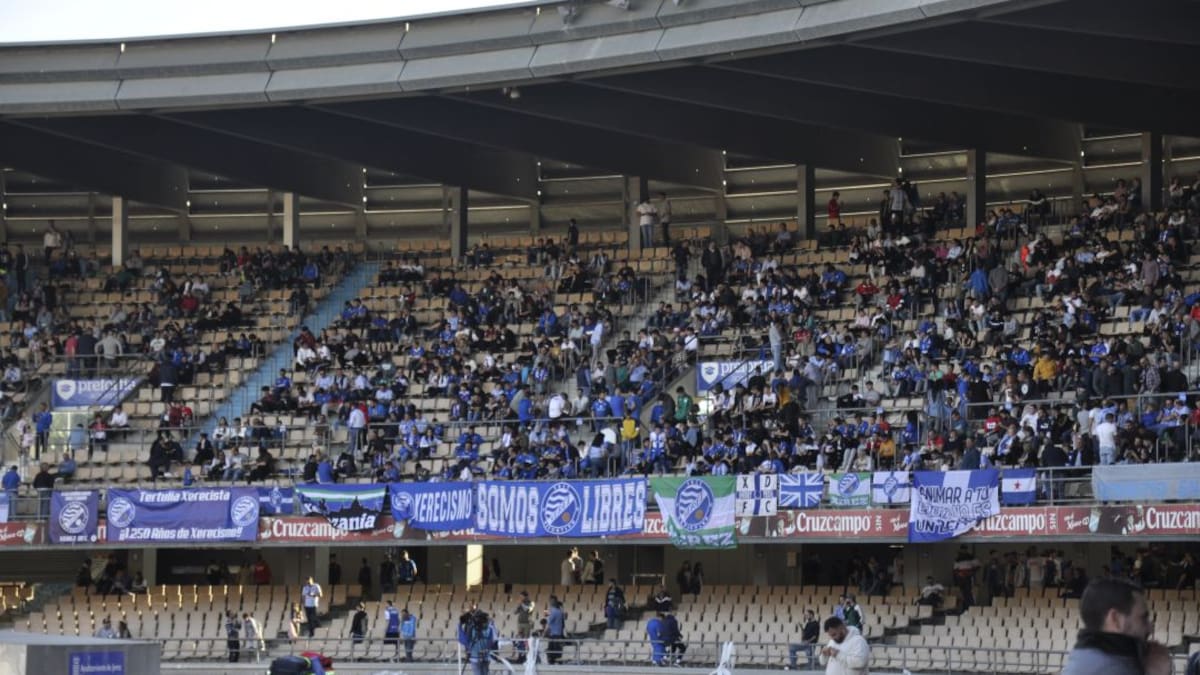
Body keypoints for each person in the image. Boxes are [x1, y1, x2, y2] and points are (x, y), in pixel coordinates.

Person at [1061, 577, 1170, 675]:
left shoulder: (1082, 656)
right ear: (1115, 619)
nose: (1151, 628)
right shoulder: (1116, 669)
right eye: (1143, 618)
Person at [514, 590, 535, 662]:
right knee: (520, 640)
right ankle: (520, 655)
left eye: (521, 596)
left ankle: (527, 656)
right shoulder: (521, 604)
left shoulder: (531, 603)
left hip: (527, 624)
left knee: (526, 640)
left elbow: (528, 610)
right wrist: (518, 606)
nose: (520, 598)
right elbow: (515, 612)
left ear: (525, 596)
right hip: (520, 623)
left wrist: (522, 604)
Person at [546, 597, 565, 665]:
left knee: (553, 648)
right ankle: (558, 661)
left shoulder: (553, 611)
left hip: (554, 633)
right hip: (558, 633)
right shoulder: (560, 612)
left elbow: (549, 621)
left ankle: (553, 661)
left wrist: (548, 615)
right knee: (557, 648)